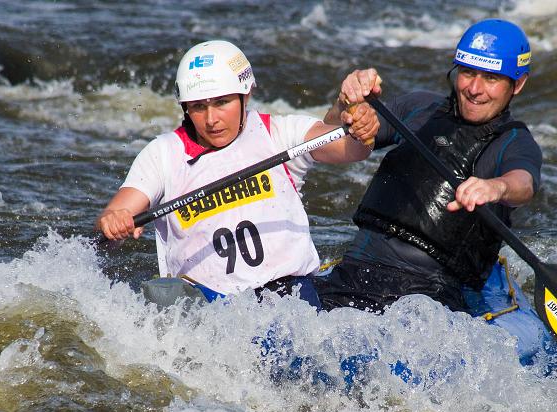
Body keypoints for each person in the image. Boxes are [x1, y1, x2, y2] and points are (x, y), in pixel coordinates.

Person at [95, 40, 379, 301]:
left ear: (246, 94)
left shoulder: (278, 133)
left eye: (222, 103)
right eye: (198, 107)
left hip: (290, 293)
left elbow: (353, 149)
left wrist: (360, 123)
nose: (211, 119)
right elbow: (118, 211)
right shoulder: (163, 153)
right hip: (207, 301)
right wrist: (114, 220)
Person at [316, 18, 540, 314]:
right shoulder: (419, 107)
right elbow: (326, 139)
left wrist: (496, 187)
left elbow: (523, 184)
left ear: (518, 84)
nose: (474, 89)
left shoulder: (514, 142)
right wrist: (346, 104)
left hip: (429, 292)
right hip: (356, 270)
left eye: (491, 78)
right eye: (468, 73)